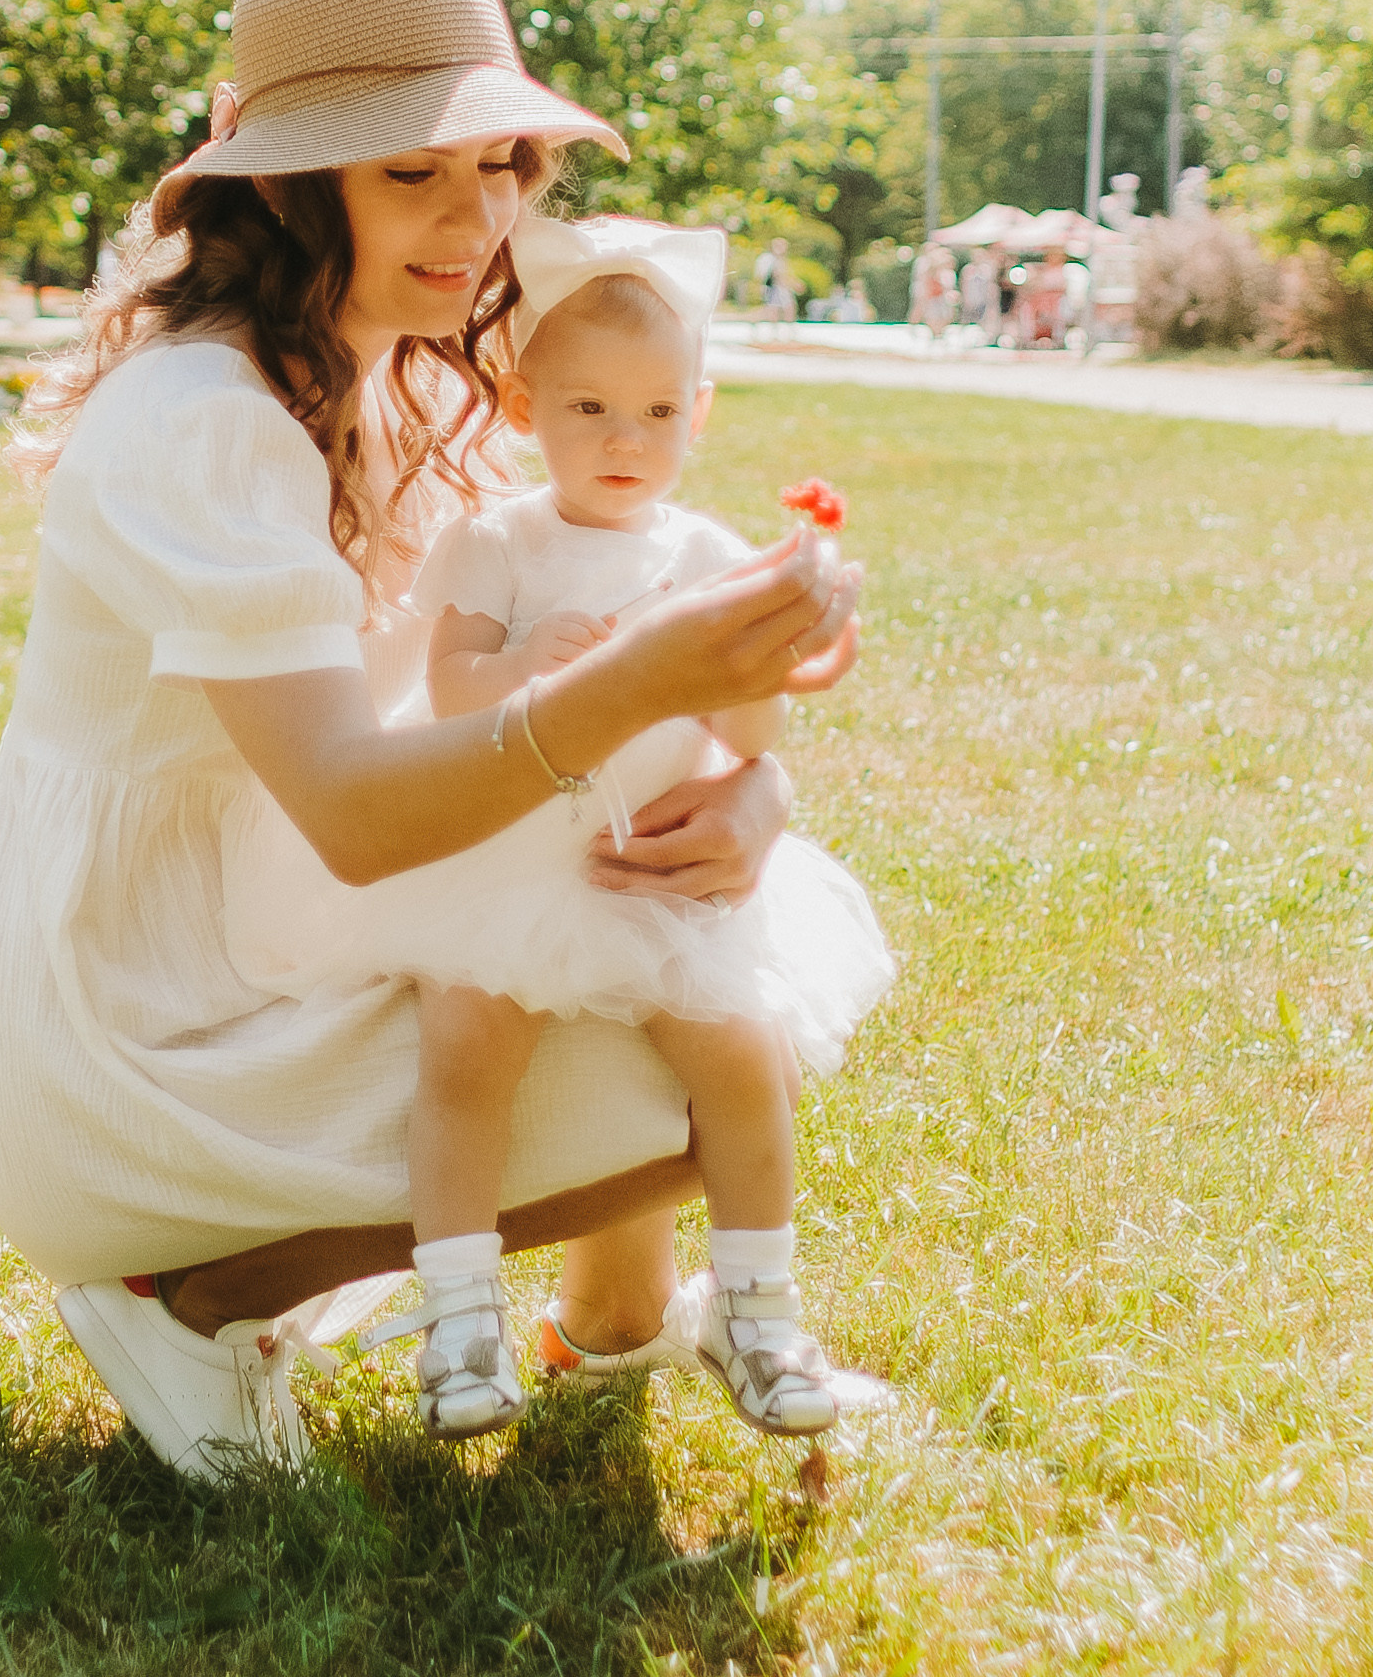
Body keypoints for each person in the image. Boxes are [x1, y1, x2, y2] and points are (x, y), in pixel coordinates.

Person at [0, 0, 862, 1481]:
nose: (479, 215)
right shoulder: (205, 418)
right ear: (293, 189)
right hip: (147, 1018)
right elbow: (370, 815)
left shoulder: (387, 371)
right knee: (691, 1045)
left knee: (687, 937)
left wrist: (752, 782)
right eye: (410, 175)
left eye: (502, 161)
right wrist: (641, 671)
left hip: (270, 920)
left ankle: (623, 1308)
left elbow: (536, 656)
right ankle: (195, 1293)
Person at [224, 212, 891, 1441]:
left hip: (646, 868)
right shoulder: (503, 540)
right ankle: (462, 1321)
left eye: (655, 413)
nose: (623, 441)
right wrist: (525, 659)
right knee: (468, 1059)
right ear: (526, 411)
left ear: (700, 416)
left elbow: (745, 740)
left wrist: (795, 654)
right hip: (508, 860)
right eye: (587, 410)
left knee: (739, 1059)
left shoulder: (709, 554)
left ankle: (754, 1308)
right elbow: (449, 684)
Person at [755, 238, 799, 325]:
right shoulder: (769, 259)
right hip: (775, 289)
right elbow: (775, 276)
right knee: (779, 310)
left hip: (779, 289)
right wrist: (791, 284)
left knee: (786, 309)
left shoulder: (780, 259)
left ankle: (784, 331)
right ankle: (777, 332)